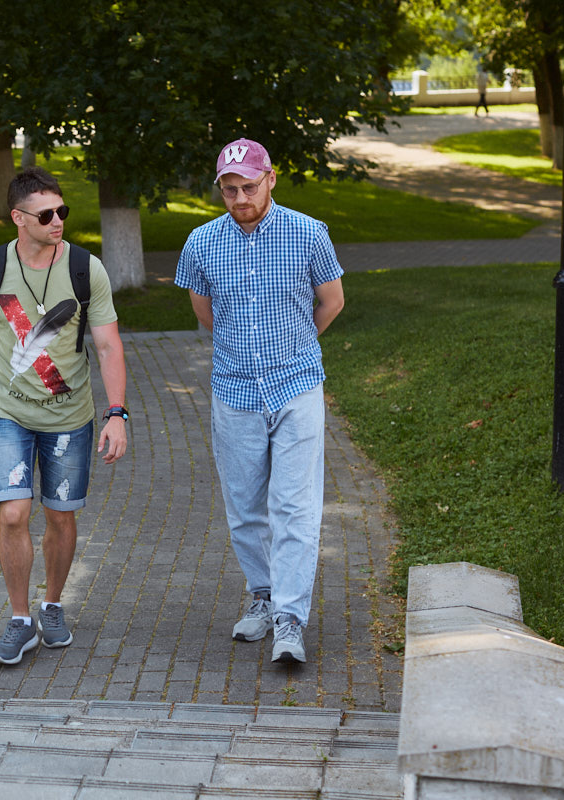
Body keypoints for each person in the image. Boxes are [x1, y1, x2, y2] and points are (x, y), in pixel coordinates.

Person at [175, 138, 344, 664]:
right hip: (234, 390)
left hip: (295, 387)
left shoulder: (308, 233)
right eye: (230, 190)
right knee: (245, 506)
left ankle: (291, 620)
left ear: (271, 178)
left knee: (294, 507)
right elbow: (204, 313)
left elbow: (332, 300)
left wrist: (294, 346)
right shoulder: (201, 243)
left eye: (249, 186)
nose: (240, 197)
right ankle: (264, 595)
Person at [0, 166, 129, 666]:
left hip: (69, 417)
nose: (58, 221)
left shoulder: (85, 268)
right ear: (18, 218)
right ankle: (19, 620)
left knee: (60, 516)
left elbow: (108, 344)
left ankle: (51, 606)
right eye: (47, 214)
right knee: (13, 512)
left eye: (63, 211)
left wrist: (115, 413)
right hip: (6, 413)